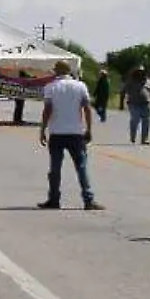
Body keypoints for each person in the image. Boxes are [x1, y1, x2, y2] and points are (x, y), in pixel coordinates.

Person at [39, 60, 101, 210]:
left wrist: (42, 129)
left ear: (56, 71)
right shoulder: (80, 86)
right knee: (81, 167)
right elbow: (87, 109)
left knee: (55, 168)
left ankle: (54, 199)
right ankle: (88, 199)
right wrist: (89, 129)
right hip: (76, 133)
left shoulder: (50, 87)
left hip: (57, 133)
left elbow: (47, 110)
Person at [121, 66, 150, 145]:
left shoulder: (147, 81)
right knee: (135, 120)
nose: (140, 73)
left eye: (142, 72)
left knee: (146, 121)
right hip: (134, 104)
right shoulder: (130, 81)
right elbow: (123, 91)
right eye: (139, 72)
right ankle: (133, 136)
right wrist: (121, 103)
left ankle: (144, 139)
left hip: (145, 103)